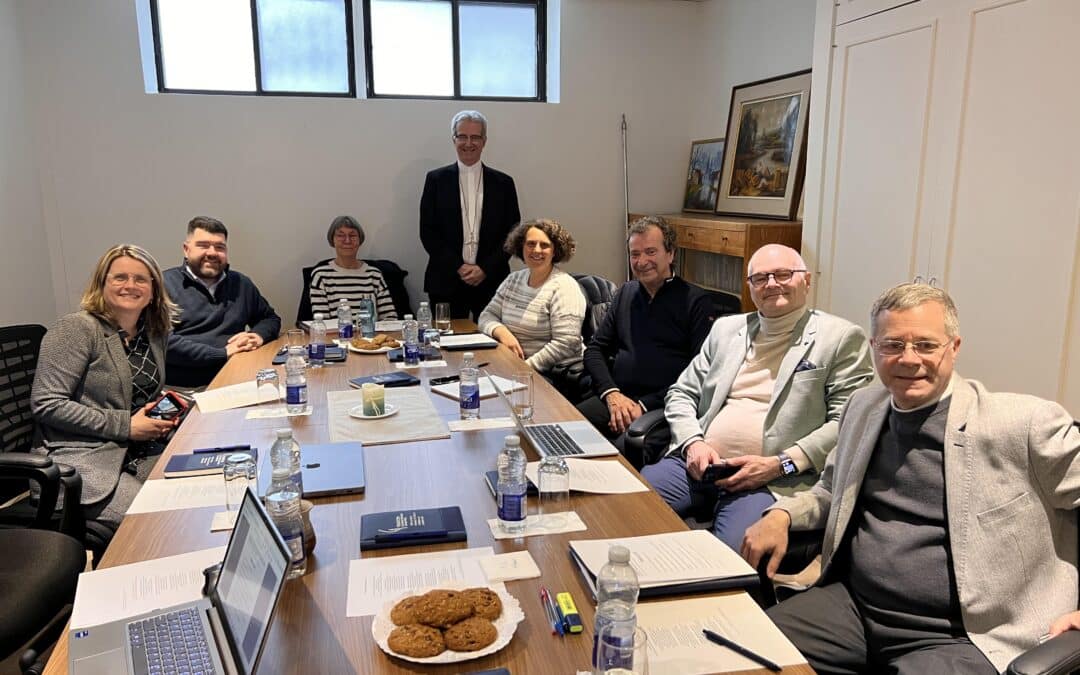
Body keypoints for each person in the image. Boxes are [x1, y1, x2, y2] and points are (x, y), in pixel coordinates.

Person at [743, 283, 1080, 674]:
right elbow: (833, 489)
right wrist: (781, 515)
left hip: (966, 635)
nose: (908, 359)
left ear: (953, 347)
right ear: (873, 347)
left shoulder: (1023, 424)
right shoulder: (864, 407)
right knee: (742, 650)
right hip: (853, 608)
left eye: (925, 345)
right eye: (892, 345)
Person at [640, 244, 873, 551]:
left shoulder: (840, 337)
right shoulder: (726, 329)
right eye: (760, 278)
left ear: (806, 281)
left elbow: (847, 421)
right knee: (628, 507)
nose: (771, 283)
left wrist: (780, 465)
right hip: (697, 466)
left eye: (783, 274)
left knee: (733, 556)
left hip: (771, 480)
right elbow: (682, 392)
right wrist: (693, 443)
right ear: (750, 288)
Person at [31, 244, 179, 528]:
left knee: (190, 497)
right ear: (102, 284)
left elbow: (136, 393)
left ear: (153, 290)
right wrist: (126, 426)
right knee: (155, 521)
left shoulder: (153, 332)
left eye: (140, 279)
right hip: (81, 457)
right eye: (119, 277)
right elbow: (46, 403)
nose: (130, 285)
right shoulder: (76, 328)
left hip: (136, 450)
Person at [577, 216, 713, 461]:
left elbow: (699, 373)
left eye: (651, 252)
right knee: (567, 427)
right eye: (635, 254)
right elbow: (595, 349)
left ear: (671, 253)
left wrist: (643, 405)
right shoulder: (626, 292)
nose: (641, 262)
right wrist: (612, 394)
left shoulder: (695, 301)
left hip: (662, 404)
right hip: (617, 397)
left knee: (620, 452)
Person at [420, 110, 521, 320]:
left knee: (492, 344)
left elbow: (513, 233)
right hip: (445, 279)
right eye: (462, 136)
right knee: (446, 345)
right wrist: (459, 267)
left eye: (475, 137)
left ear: (484, 141)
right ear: (453, 139)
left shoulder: (504, 183)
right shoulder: (436, 180)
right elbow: (428, 232)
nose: (468, 143)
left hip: (491, 280)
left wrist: (484, 268)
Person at [163, 216, 281, 389]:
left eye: (219, 247)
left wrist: (257, 336)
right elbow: (164, 343)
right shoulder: (163, 285)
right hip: (186, 388)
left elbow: (270, 318)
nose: (212, 253)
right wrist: (222, 353)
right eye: (203, 245)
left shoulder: (240, 283)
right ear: (186, 249)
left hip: (237, 377)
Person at [477, 219, 586, 374]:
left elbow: (566, 344)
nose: (536, 250)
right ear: (521, 247)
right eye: (530, 244)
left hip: (548, 374)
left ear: (555, 251)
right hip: (510, 366)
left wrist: (524, 369)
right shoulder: (513, 280)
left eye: (545, 245)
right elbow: (486, 316)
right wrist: (502, 333)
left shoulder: (564, 287)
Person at [307, 215, 397, 320]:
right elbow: (322, 322)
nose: (347, 240)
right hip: (336, 335)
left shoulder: (374, 275)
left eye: (352, 235)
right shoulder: (321, 276)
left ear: (360, 240)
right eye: (341, 235)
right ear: (333, 240)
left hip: (371, 335)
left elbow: (390, 318)